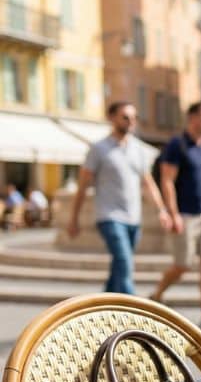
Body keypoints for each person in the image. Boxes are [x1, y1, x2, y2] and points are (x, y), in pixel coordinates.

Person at [68, 102, 171, 294]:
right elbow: (82, 187)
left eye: (134, 117)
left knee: (119, 266)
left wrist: (162, 210)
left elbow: (148, 183)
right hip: (109, 217)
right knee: (124, 261)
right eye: (125, 117)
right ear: (111, 118)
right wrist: (74, 219)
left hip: (133, 218)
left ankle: (105, 303)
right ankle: (133, 307)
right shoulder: (98, 149)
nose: (131, 121)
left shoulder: (138, 149)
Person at [150, 101, 201, 331]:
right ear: (192, 118)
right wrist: (173, 214)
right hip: (185, 216)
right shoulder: (177, 145)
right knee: (183, 265)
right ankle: (157, 295)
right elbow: (167, 181)